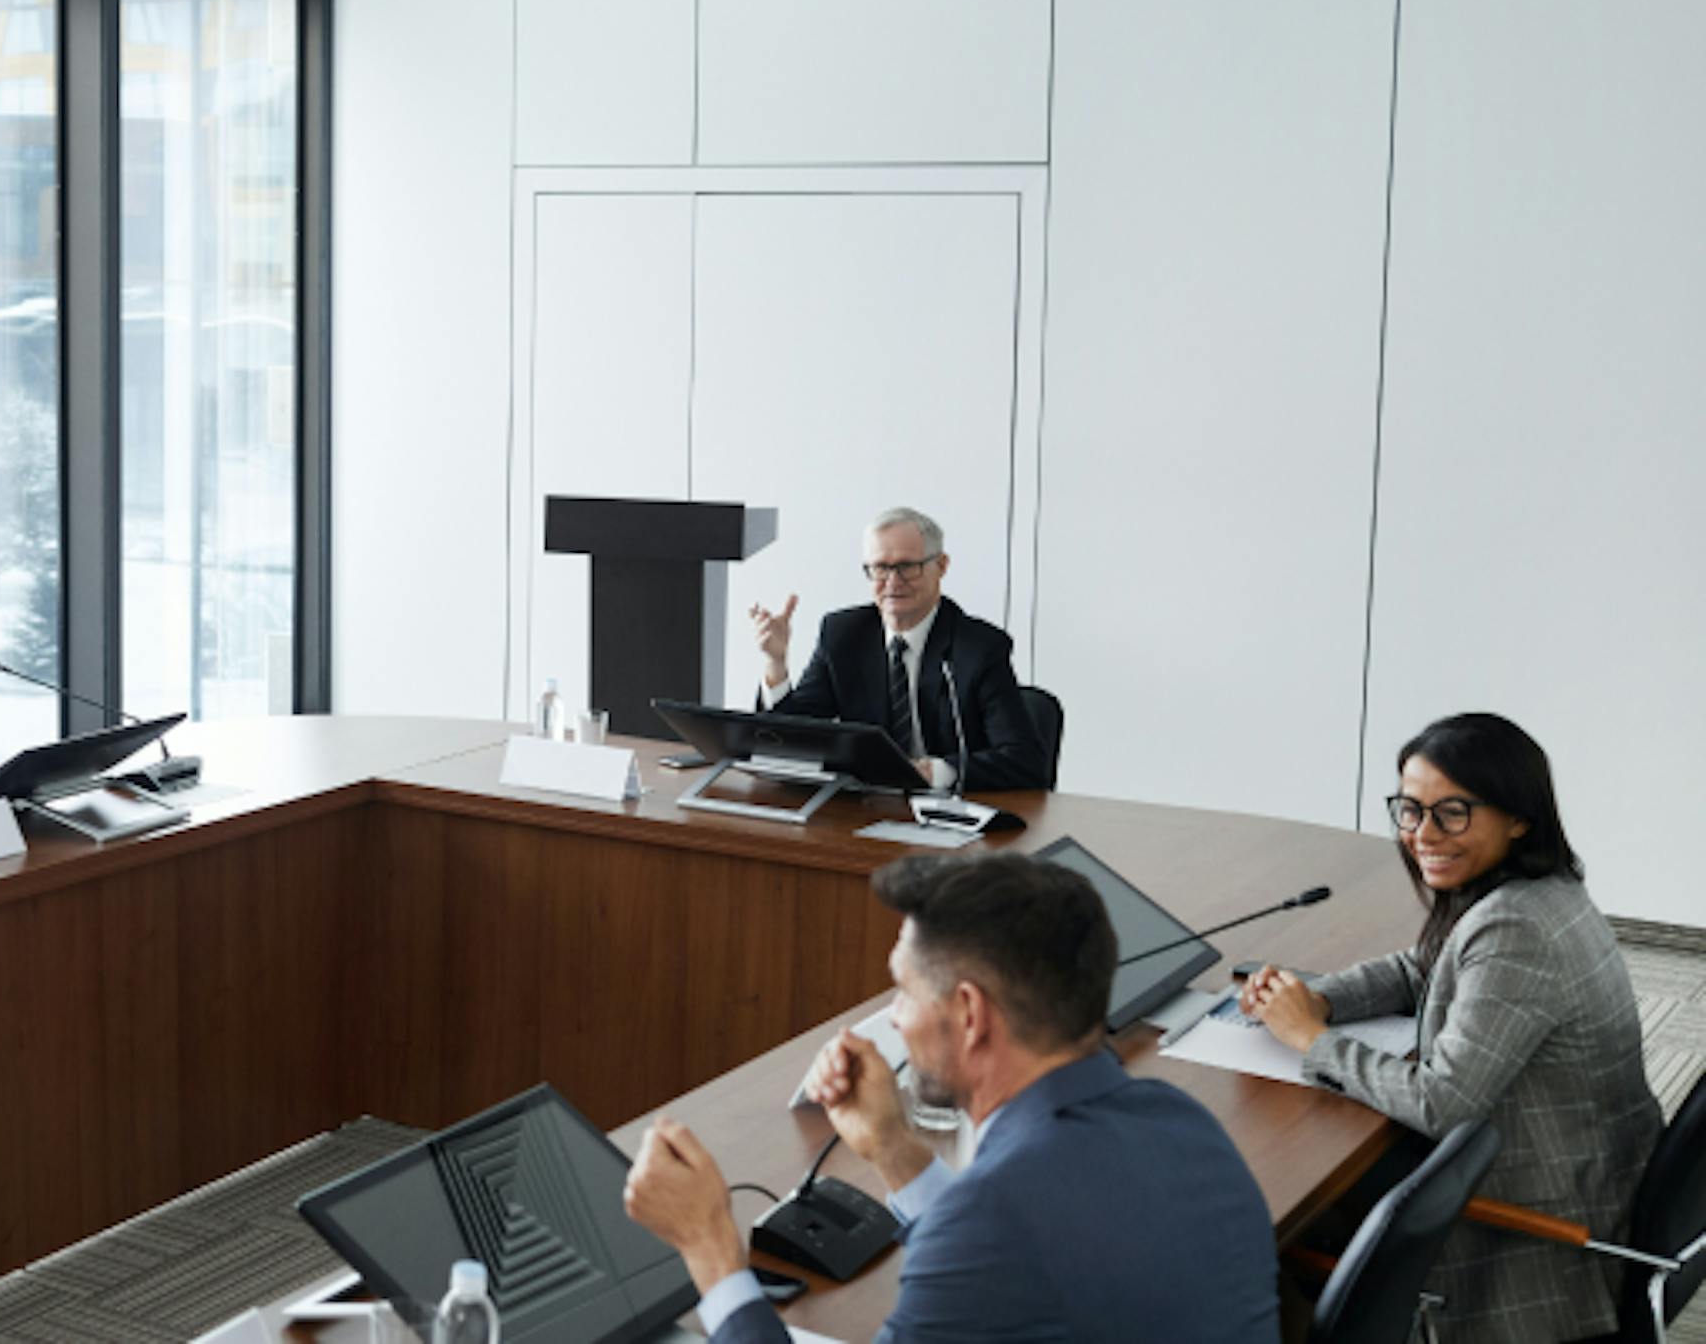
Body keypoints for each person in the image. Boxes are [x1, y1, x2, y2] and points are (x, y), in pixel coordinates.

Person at [624, 852, 1278, 1344]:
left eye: (905, 991)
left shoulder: (996, 1218)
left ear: (969, 1014)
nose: (896, 1018)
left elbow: (997, 1238)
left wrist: (708, 1245)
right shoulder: (1182, 1121)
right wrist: (894, 1150)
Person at [1243, 713, 1658, 1343]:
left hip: (1539, 1221)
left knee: (1272, 1209)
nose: (1422, 834)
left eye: (1452, 812)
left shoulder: (1517, 929)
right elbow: (1422, 970)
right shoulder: (1533, 888)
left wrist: (1312, 1039)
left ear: (1518, 817)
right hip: (1581, 1169)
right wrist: (1315, 999)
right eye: (1409, 810)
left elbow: (1443, 1103)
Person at [749, 506, 1052, 791]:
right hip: (863, 810)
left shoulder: (980, 648)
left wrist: (938, 772)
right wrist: (775, 663)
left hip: (952, 816)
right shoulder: (843, 634)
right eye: (880, 568)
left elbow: (1025, 760)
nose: (893, 582)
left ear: (941, 566)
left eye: (908, 566)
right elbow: (792, 738)